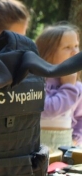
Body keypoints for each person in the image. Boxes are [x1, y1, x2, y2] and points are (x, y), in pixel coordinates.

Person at [37, 23, 82, 151]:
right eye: (67, 47)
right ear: (48, 54)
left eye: (76, 46)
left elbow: (80, 117)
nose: (75, 52)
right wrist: (68, 87)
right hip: (37, 144)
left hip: (66, 144)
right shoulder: (39, 82)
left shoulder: (77, 86)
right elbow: (48, 109)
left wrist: (76, 139)